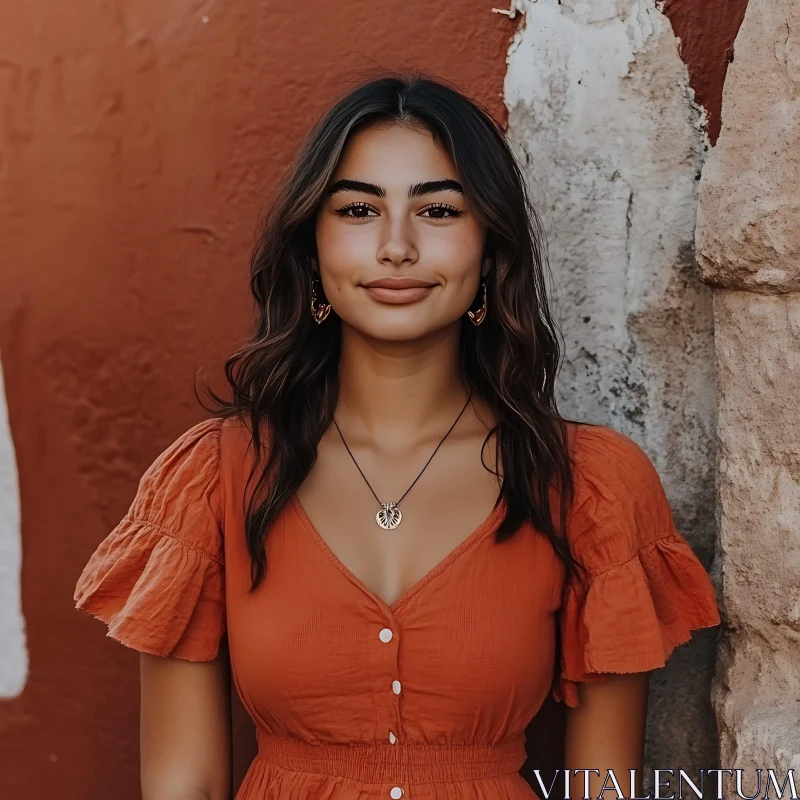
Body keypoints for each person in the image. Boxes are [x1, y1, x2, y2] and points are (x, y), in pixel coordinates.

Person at [73, 73, 721, 800]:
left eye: (439, 209)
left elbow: (605, 787)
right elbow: (181, 783)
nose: (396, 246)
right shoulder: (212, 479)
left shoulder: (589, 486)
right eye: (357, 209)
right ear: (312, 246)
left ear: (491, 246)